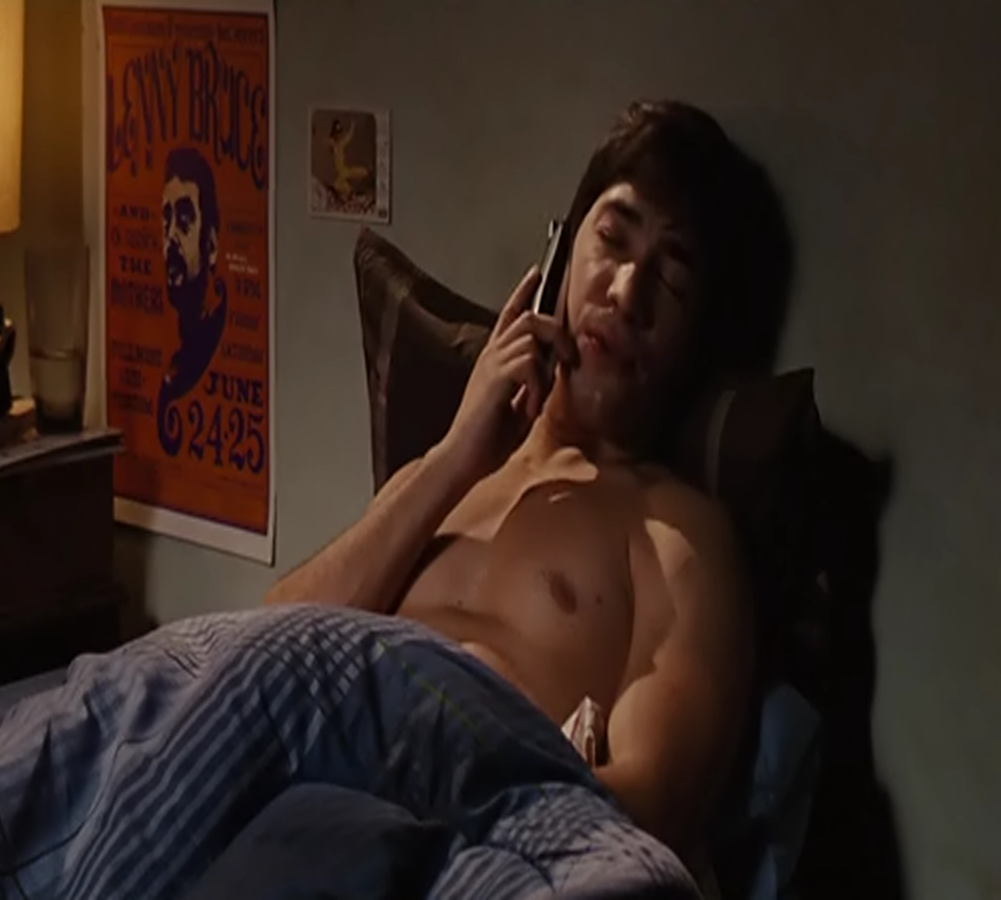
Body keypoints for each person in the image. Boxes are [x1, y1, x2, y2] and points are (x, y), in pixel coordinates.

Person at [267, 99, 785, 864]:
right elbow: (259, 659)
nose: (626, 293)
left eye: (671, 278)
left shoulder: (678, 534)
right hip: (307, 797)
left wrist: (466, 790)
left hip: (457, 847)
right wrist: (452, 459)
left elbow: (651, 810)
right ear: (561, 256)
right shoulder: (438, 481)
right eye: (612, 240)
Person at [157, 145, 228, 456]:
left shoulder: (212, 333)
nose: (171, 237)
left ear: (211, 245)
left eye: (184, 219)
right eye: (167, 220)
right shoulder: (178, 356)